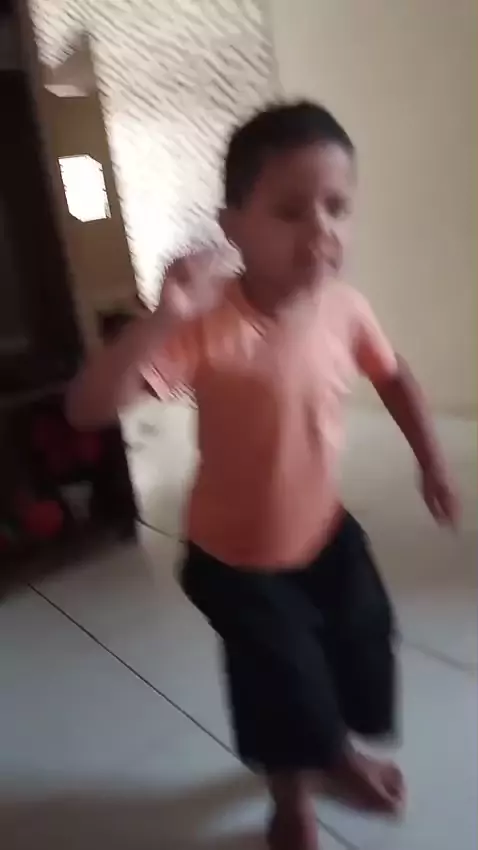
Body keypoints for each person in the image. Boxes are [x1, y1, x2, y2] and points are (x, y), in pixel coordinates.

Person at [67, 101, 459, 850]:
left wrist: (431, 461)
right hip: (238, 558)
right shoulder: (208, 324)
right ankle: (292, 798)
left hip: (325, 532)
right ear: (233, 228)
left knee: (360, 638)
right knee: (283, 680)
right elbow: (86, 408)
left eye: (337, 207)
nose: (321, 230)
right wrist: (163, 317)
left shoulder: (346, 308)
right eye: (289, 210)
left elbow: (393, 376)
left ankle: (336, 753)